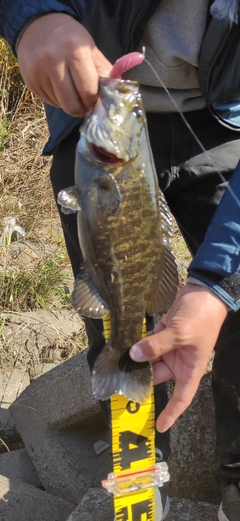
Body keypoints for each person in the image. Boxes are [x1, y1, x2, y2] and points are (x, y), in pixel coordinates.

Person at [1, 1, 240, 520]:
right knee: (111, 316)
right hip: (89, 121)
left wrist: (217, 282)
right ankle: (138, 472)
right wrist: (33, 14)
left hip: (225, 124)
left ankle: (235, 485)